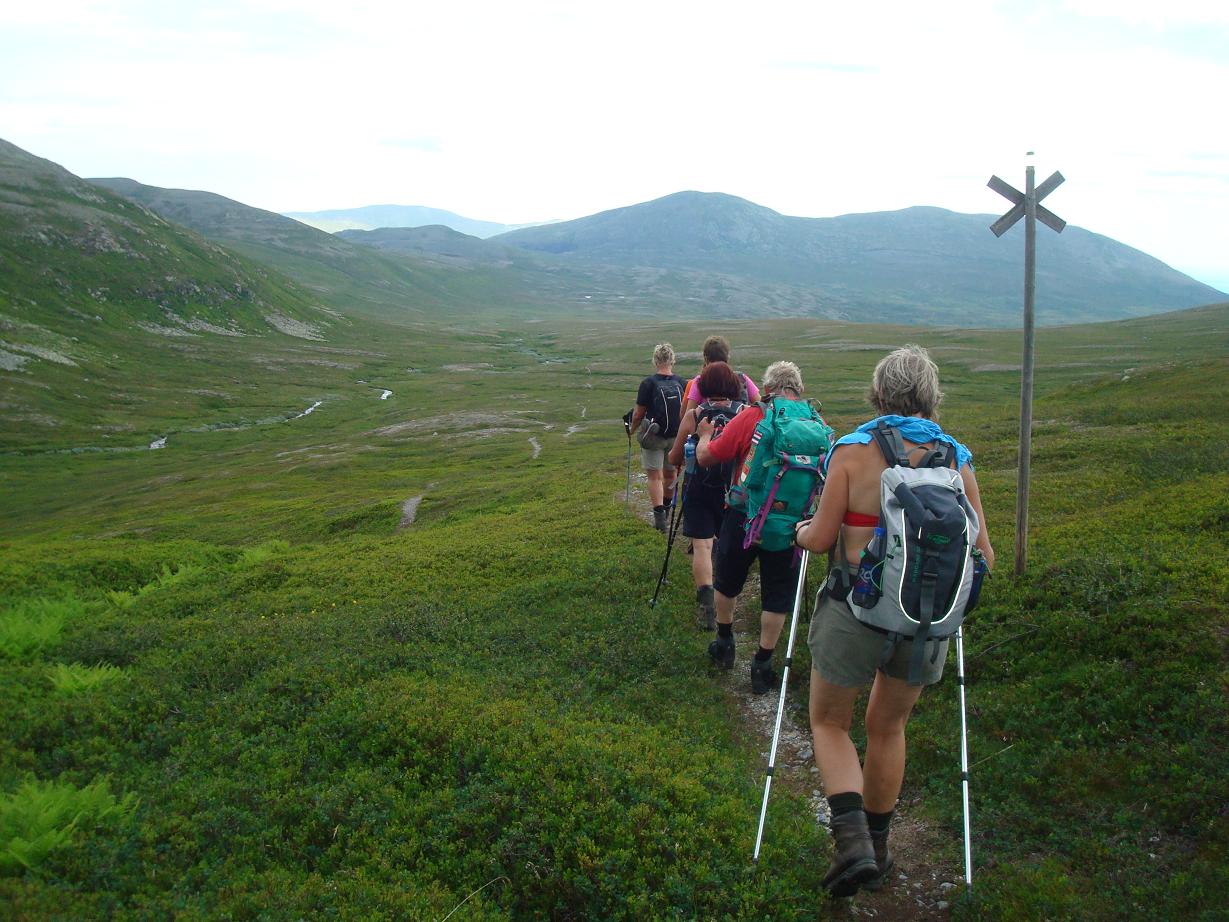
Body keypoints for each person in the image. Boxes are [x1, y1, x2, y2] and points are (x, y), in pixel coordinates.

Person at [794, 345, 995, 897]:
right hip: (926, 619)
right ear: (930, 396)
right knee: (889, 726)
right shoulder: (956, 458)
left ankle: (852, 843)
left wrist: (801, 532)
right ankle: (878, 850)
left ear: (878, 393)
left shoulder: (854, 451)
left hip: (854, 612)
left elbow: (821, 537)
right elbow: (985, 557)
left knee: (831, 722)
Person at [694, 360, 814, 694]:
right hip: (792, 526)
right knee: (776, 594)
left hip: (743, 515)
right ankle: (763, 663)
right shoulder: (815, 424)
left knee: (728, 580)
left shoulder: (754, 416)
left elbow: (708, 457)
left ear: (768, 388)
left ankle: (724, 641)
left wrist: (704, 436)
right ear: (798, 389)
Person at [667, 361, 745, 630]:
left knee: (702, 546)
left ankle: (707, 603)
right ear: (734, 386)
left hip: (698, 487)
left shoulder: (695, 414)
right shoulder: (744, 414)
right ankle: (727, 603)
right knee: (726, 546)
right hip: (733, 492)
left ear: (705, 386)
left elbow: (675, 456)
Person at [629, 343, 687, 532]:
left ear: (655, 360)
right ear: (672, 360)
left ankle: (660, 520)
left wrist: (631, 429)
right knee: (671, 474)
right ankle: (668, 511)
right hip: (676, 436)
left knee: (654, 477)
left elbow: (638, 414)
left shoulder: (648, 383)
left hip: (653, 436)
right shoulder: (682, 382)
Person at [681, 336, 760, 416]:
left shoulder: (700, 381)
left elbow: (688, 416)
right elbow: (761, 406)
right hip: (739, 426)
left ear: (706, 358)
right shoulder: (741, 379)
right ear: (727, 357)